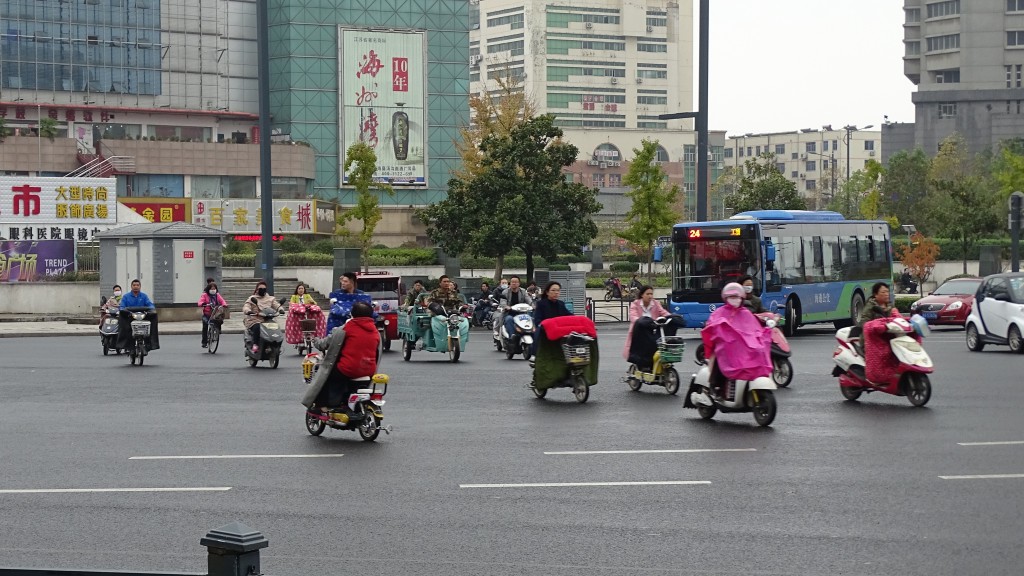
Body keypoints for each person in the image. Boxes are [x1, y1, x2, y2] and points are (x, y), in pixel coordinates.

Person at [301, 301, 381, 419]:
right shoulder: (375, 331)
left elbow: (324, 345)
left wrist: (315, 339)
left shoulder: (345, 329)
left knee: (325, 375)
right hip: (369, 370)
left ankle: (321, 407)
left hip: (349, 369)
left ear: (352, 314)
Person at [699, 283, 772, 397]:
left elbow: (755, 329)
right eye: (731, 297)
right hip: (726, 347)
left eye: (737, 297)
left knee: (759, 352)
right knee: (718, 359)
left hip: (744, 347)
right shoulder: (720, 312)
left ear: (742, 298)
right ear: (726, 298)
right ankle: (715, 387)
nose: (735, 300)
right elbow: (711, 325)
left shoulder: (746, 313)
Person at [624, 285, 686, 371]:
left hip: (654, 329)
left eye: (651, 294)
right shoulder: (635, 304)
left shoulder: (656, 303)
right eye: (648, 294)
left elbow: (663, 312)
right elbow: (633, 317)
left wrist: (670, 317)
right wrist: (642, 322)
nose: (650, 296)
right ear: (642, 295)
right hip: (640, 331)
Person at [424, 275, 468, 350]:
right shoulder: (435, 292)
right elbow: (428, 302)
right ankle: (438, 341)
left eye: (448, 281)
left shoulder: (453, 292)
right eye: (444, 282)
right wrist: (434, 306)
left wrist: (463, 306)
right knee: (441, 320)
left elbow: (458, 302)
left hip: (451, 313)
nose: (446, 283)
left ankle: (461, 338)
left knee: (462, 321)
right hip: (438, 313)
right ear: (440, 283)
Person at [116, 279, 160, 350]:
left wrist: (150, 310)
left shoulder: (144, 296)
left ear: (140, 286)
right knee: (123, 319)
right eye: (134, 285)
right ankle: (125, 345)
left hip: (142, 316)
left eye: (137, 285)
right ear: (131, 286)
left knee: (154, 315)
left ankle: (150, 344)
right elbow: (122, 307)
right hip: (130, 316)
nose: (136, 287)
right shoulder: (126, 297)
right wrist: (127, 312)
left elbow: (150, 305)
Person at [532, 281, 573, 358]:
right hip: (546, 330)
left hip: (560, 330)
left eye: (558, 290)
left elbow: (569, 315)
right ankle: (535, 355)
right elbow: (537, 320)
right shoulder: (541, 304)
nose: (556, 292)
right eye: (553, 290)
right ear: (547, 292)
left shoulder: (561, 304)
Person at [242, 280, 282, 354]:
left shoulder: (270, 298)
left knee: (276, 327)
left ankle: (277, 344)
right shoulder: (252, 298)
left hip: (268, 319)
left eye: (264, 289)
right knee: (257, 326)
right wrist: (248, 311)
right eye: (260, 289)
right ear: (257, 289)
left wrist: (280, 309)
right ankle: (255, 344)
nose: (262, 290)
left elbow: (276, 305)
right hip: (255, 319)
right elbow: (246, 306)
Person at [498, 276, 534, 342]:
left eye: (516, 282)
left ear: (519, 283)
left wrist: (533, 306)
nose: (514, 283)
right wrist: (506, 307)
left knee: (531, 319)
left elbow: (529, 300)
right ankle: (512, 337)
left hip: (522, 313)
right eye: (512, 282)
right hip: (509, 313)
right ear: (510, 283)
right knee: (509, 319)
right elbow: (503, 303)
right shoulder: (505, 292)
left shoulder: (523, 291)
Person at [197, 282, 228, 348]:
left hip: (215, 313)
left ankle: (218, 330)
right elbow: (200, 302)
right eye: (212, 289)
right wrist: (202, 304)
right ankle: (204, 342)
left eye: (214, 289)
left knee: (219, 320)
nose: (213, 290)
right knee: (205, 326)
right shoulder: (204, 295)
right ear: (208, 289)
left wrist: (224, 304)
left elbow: (222, 301)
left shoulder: (217, 295)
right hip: (207, 313)